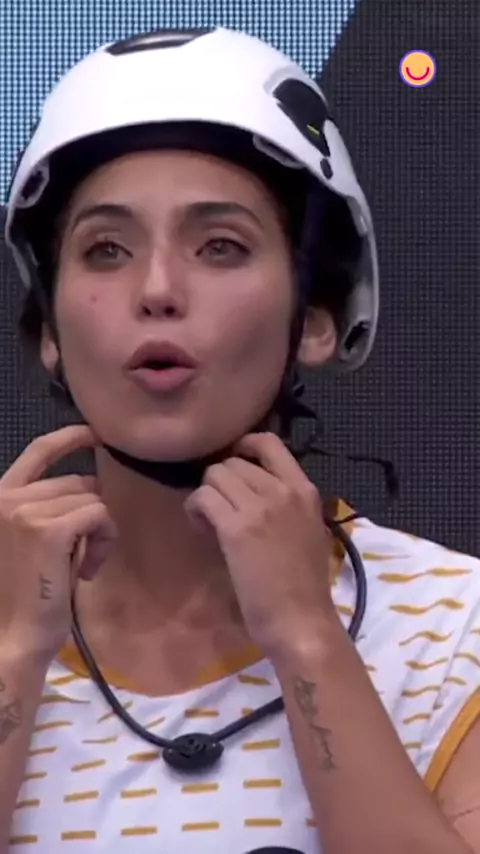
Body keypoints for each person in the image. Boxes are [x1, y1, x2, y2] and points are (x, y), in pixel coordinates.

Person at [0, 26, 479, 854]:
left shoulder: (456, 628)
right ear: (49, 329)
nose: (157, 289)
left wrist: (304, 633)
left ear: (316, 318)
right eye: (106, 249)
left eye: (220, 246)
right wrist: (13, 650)